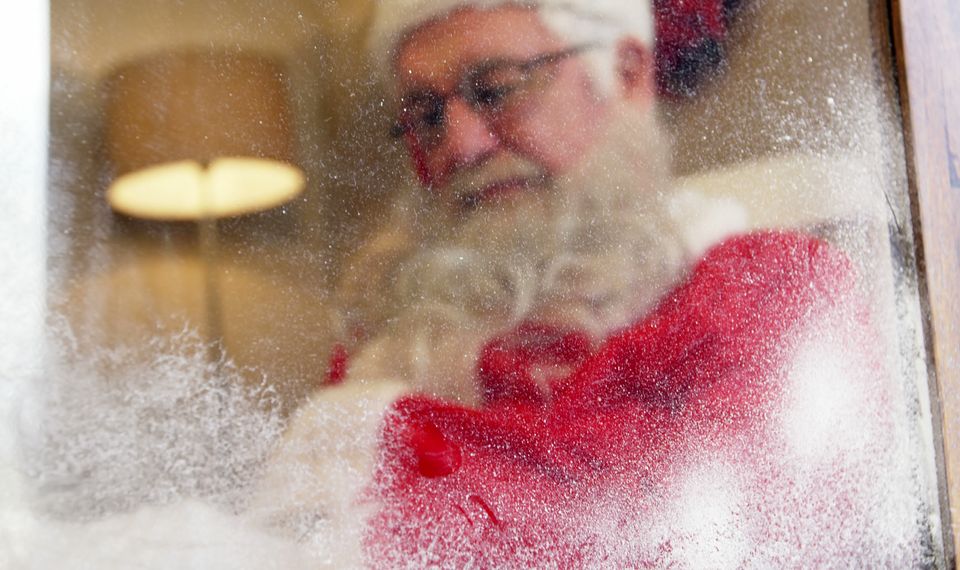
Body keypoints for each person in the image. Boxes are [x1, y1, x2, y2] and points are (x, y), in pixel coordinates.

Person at [252, 1, 912, 566]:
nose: (460, 145)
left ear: (626, 75)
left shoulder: (771, 288)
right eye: (425, 116)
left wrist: (388, 444)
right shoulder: (388, 346)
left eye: (496, 89)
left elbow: (723, 537)